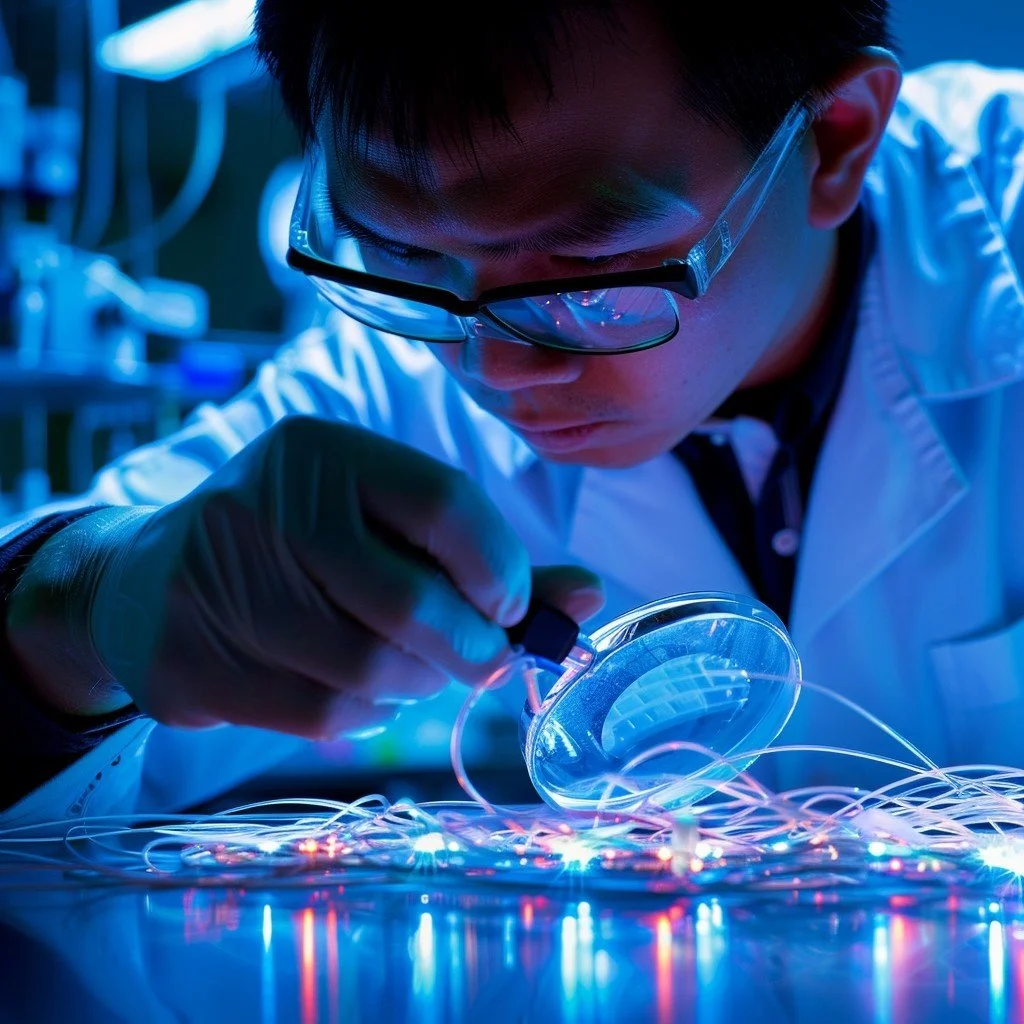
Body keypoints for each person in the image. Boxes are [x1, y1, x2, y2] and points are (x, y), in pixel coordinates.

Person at [2, 1, 1023, 824]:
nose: (495, 369)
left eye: (587, 272)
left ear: (836, 140)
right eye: (400, 255)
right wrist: (82, 604)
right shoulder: (388, 375)